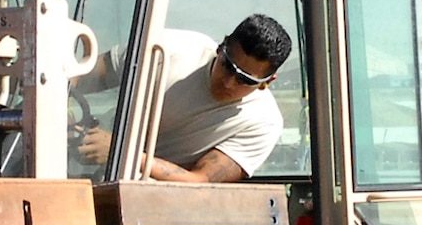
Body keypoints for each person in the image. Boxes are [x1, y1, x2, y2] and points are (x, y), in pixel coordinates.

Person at [77, 13, 291, 183]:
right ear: (221, 47)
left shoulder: (263, 123)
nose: (229, 82)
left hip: (152, 201)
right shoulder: (171, 48)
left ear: (268, 82)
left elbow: (199, 179)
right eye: (227, 66)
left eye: (245, 80)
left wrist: (121, 152)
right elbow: (87, 73)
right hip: (87, 160)